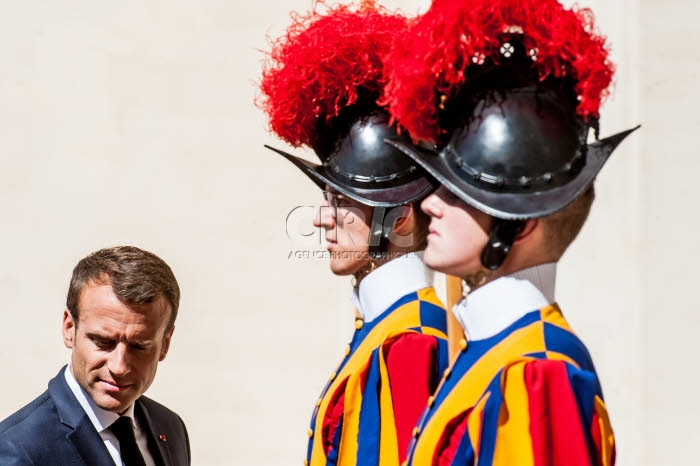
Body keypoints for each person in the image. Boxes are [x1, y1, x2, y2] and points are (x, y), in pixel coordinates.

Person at [380, 0, 639, 464]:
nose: (429, 204)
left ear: (519, 226)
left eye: (459, 193)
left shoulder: (537, 374)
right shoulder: (493, 352)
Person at [258, 2, 449, 465]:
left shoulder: (410, 342)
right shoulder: (387, 330)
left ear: (400, 218)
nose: (322, 220)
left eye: (340, 203)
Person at [0, 246, 190, 466]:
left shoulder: (170, 427)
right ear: (69, 328)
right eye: (102, 342)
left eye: (138, 346)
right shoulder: (17, 450)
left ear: (165, 344)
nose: (119, 367)